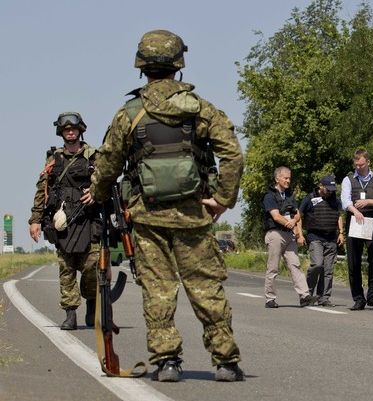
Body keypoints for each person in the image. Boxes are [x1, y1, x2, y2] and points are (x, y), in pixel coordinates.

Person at [82, 30, 244, 382]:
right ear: (178, 65)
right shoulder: (201, 109)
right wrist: (222, 200)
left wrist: (97, 194)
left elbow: (108, 163)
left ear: (142, 66)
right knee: (205, 287)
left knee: (158, 289)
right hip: (194, 215)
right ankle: (225, 362)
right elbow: (232, 153)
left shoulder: (129, 114)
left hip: (148, 217)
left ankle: (167, 361)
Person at [29, 112, 99, 331]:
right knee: (66, 269)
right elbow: (43, 190)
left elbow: (107, 180)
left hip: (88, 219)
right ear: (61, 133)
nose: (70, 132)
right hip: (62, 221)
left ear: (80, 130)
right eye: (66, 129)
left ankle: (91, 302)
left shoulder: (93, 155)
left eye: (73, 129)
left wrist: (95, 191)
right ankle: (70, 314)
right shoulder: (54, 159)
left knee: (92, 266)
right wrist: (35, 220)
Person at [340, 149, 373, 310]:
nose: (359, 167)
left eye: (361, 164)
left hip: (372, 222)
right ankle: (358, 297)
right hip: (354, 222)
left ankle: (372, 296)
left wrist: (369, 202)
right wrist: (354, 211)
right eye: (356, 165)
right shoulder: (348, 180)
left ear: (368, 162)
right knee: (353, 262)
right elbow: (345, 200)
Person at [262, 167, 316, 309]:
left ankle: (304, 296)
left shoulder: (289, 195)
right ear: (277, 179)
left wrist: (297, 228)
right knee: (273, 267)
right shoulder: (269, 196)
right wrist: (290, 223)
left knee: (295, 265)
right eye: (285, 178)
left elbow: (297, 214)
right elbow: (275, 216)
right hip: (276, 234)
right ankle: (270, 298)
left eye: (289, 178)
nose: (288, 181)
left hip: (289, 233)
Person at [299, 176, 344, 307]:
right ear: (321, 186)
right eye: (327, 189)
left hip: (331, 238)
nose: (330, 192)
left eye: (332, 189)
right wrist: (300, 234)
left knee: (328, 270)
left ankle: (324, 298)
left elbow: (339, 215)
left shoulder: (335, 200)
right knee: (317, 265)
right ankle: (307, 294)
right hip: (315, 237)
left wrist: (341, 233)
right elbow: (299, 215)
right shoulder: (310, 198)